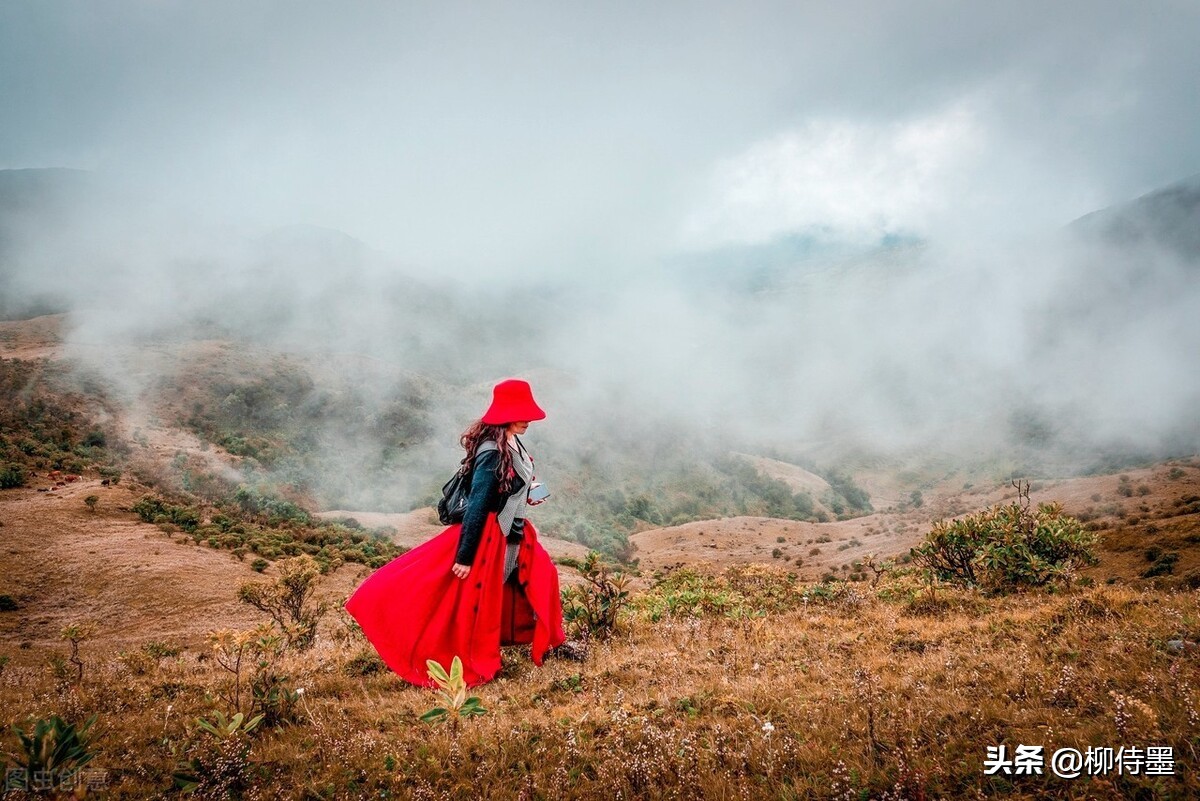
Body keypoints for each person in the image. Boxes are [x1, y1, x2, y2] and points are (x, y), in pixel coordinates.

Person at [344, 378, 567, 687]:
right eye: (522, 413)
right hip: (491, 535)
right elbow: (477, 505)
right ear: (505, 413)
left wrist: (527, 494)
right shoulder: (492, 450)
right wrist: (465, 555)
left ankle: (553, 642)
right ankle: (452, 651)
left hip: (514, 531)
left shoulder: (512, 440)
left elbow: (513, 483)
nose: (528, 419)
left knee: (543, 578)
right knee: (463, 596)